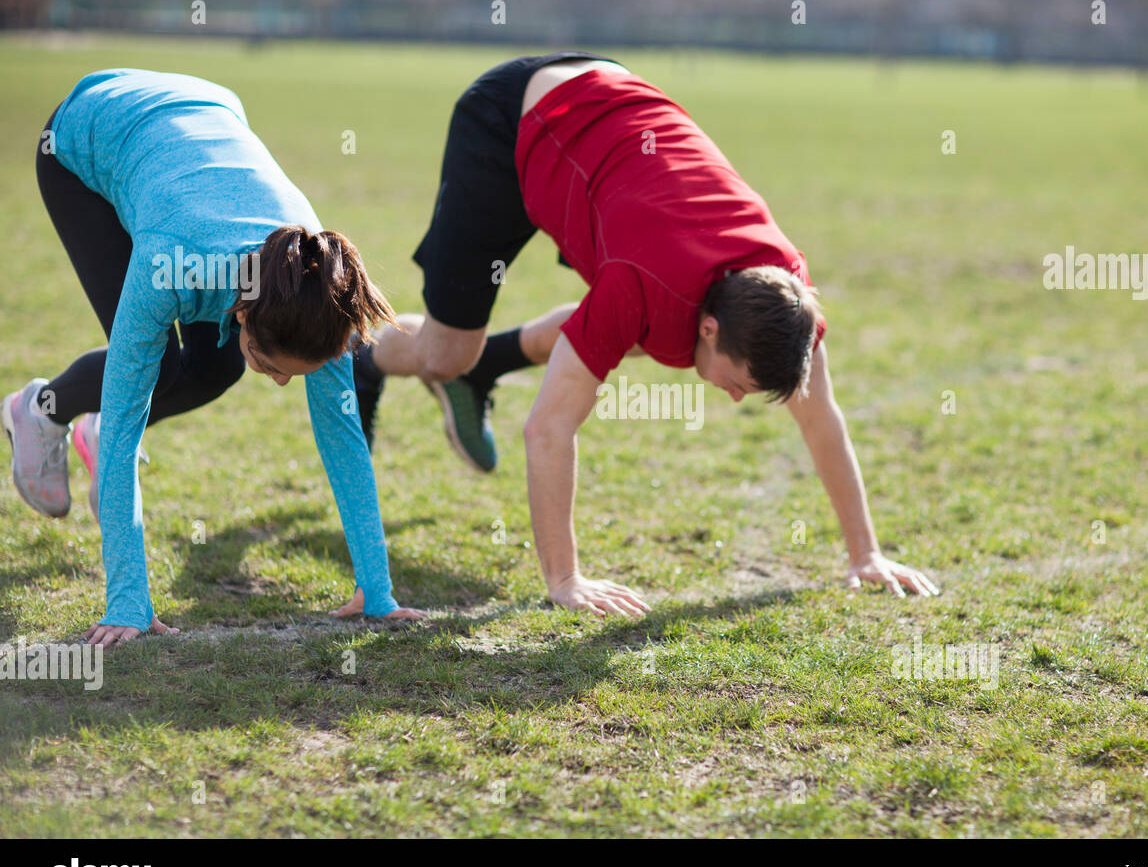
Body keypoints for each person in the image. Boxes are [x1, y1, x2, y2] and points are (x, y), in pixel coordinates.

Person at [354, 54, 939, 619]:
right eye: (738, 383)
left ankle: (486, 369)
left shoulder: (785, 294)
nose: (736, 398)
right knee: (447, 353)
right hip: (511, 123)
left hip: (603, 122)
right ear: (710, 327)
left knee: (630, 334)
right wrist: (565, 579)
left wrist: (865, 554)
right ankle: (366, 355)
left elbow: (820, 415)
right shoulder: (642, 282)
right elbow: (548, 428)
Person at [3, 68, 427, 648]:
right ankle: (39, 409)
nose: (280, 383)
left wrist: (377, 590)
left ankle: (74, 423)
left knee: (218, 368)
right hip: (86, 137)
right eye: (276, 367)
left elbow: (343, 436)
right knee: (155, 371)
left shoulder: (314, 293)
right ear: (246, 314)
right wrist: (128, 600)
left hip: (206, 114)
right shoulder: (168, 267)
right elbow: (125, 418)